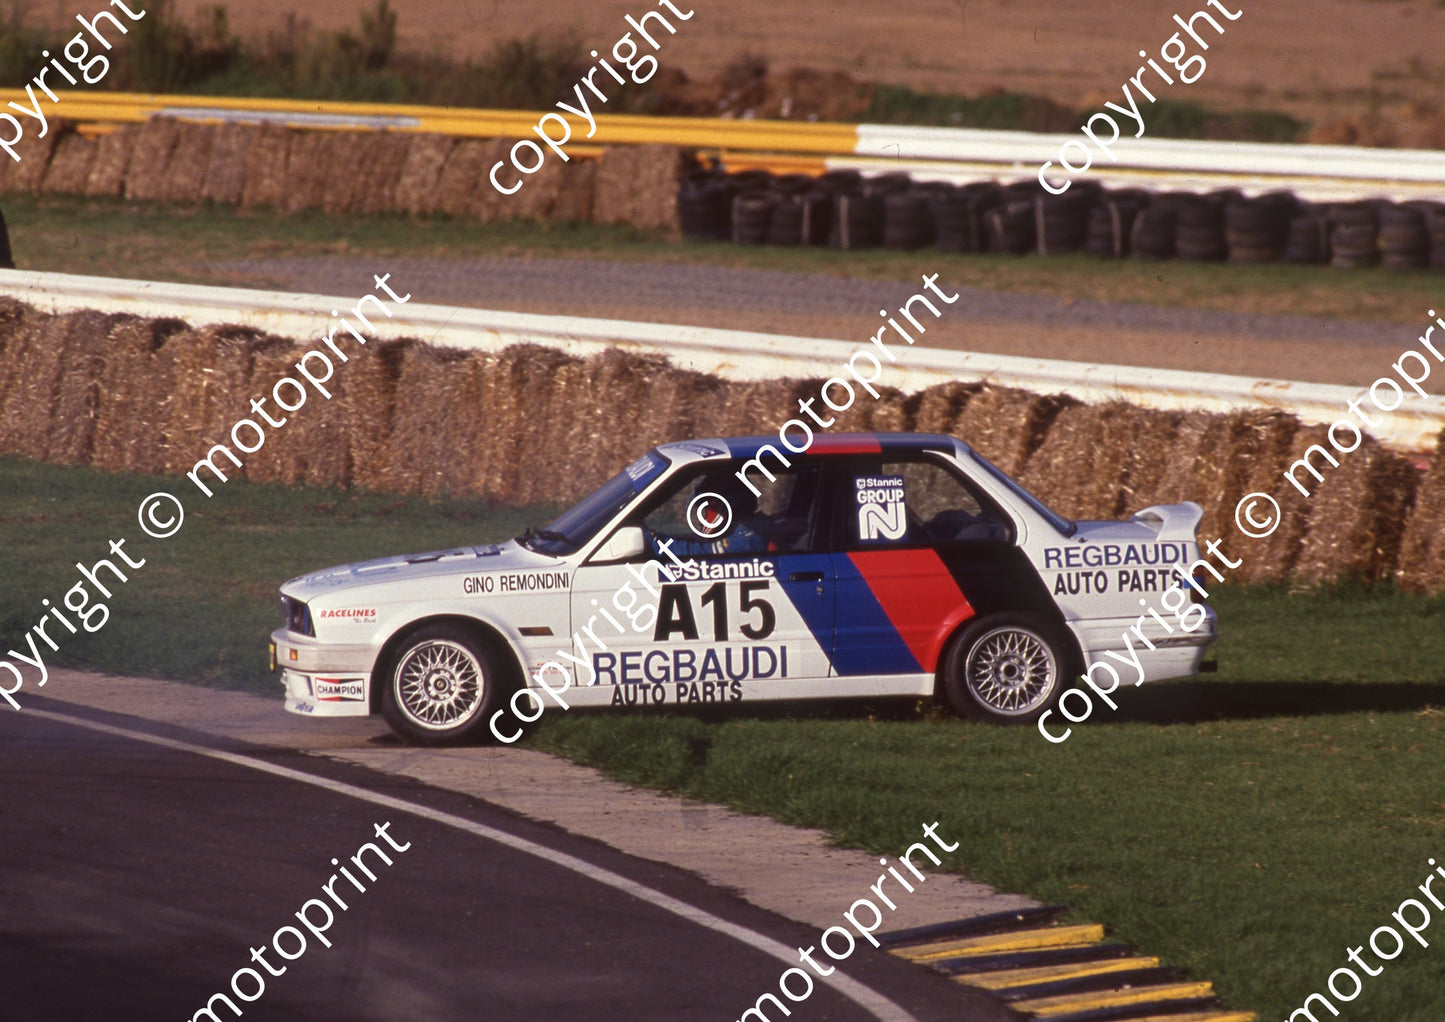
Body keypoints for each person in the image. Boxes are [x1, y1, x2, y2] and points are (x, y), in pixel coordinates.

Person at [651, 473, 770, 557]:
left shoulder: (748, 537)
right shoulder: (740, 530)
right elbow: (701, 540)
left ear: (732, 503)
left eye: (711, 506)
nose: (706, 514)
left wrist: (657, 544)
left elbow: (700, 555)